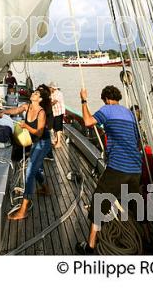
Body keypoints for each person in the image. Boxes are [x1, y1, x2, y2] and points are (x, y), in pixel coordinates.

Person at [76, 85, 142, 255]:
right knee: (134, 204)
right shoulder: (130, 114)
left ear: (105, 99)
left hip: (118, 167)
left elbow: (88, 122)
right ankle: (146, 239)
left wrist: (84, 100)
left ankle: (90, 246)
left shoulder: (107, 110)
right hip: (136, 167)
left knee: (99, 201)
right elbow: (138, 143)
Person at [0, 85, 52, 220]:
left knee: (29, 172)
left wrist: (26, 126)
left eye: (36, 93)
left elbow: (39, 132)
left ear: (40, 99)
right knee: (35, 168)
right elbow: (16, 110)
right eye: (34, 92)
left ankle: (23, 210)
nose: (33, 93)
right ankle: (45, 188)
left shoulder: (41, 112)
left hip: (43, 143)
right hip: (36, 143)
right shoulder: (27, 106)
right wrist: (4, 112)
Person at [48, 81, 65, 149]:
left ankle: (59, 143)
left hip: (59, 112)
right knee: (54, 126)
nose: (49, 88)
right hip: (54, 112)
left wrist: (47, 105)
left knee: (58, 127)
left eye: (50, 87)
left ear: (53, 88)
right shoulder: (51, 93)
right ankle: (56, 138)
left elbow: (54, 102)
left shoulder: (59, 93)